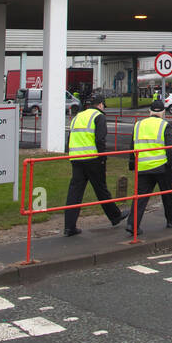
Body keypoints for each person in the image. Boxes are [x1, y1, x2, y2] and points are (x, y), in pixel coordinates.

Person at [63, 92, 124, 236]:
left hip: (76, 159)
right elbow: (100, 140)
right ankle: (115, 216)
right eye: (104, 106)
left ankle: (69, 226)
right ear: (101, 104)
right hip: (93, 159)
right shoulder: (99, 117)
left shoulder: (78, 116)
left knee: (75, 193)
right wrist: (102, 158)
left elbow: (70, 137)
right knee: (101, 189)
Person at [122, 99, 172, 235]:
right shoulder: (165, 125)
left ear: (149, 111)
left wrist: (132, 164)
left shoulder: (138, 125)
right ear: (163, 112)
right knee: (167, 195)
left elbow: (132, 146)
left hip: (143, 166)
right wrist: (171, 166)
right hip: (161, 166)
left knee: (140, 198)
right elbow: (170, 149)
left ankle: (132, 225)